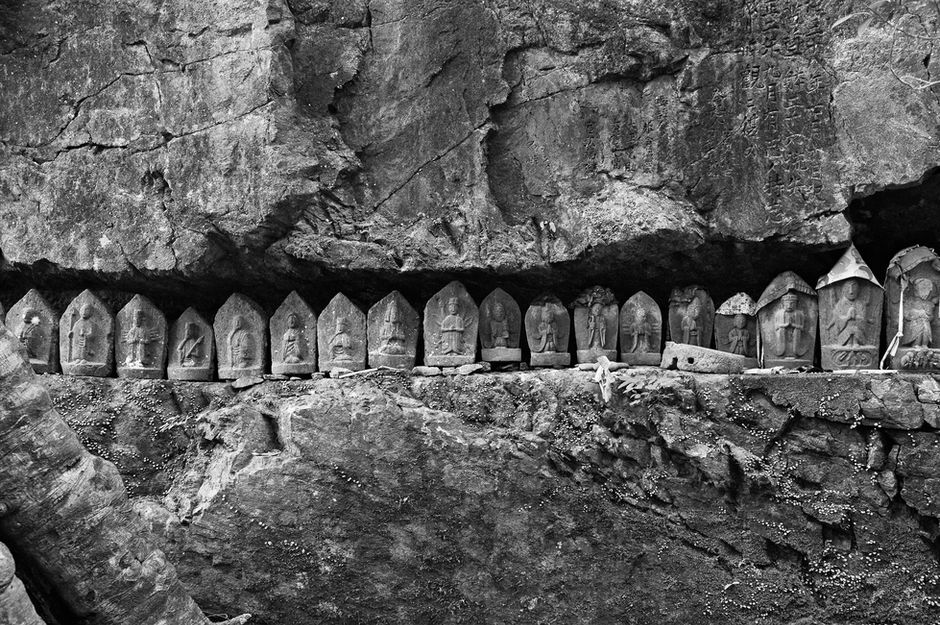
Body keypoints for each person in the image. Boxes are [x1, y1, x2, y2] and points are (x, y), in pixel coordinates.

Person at [904, 278, 935, 348]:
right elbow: (906, 314)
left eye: (927, 289)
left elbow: (931, 316)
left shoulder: (928, 303)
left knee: (926, 327)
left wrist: (927, 316)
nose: (925, 291)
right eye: (923, 288)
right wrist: (917, 313)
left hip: (925, 322)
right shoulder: (910, 301)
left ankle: (924, 344)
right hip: (914, 323)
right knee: (919, 326)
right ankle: (916, 344)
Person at [773, 293, 805, 358]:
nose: (789, 306)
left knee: (797, 332)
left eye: (792, 304)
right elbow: (776, 327)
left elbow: (802, 327)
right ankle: (781, 353)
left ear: (796, 304)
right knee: (782, 331)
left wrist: (794, 325)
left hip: (795, 336)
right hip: (783, 337)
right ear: (783, 304)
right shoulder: (779, 314)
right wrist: (785, 325)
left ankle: (796, 353)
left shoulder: (799, 314)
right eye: (787, 304)